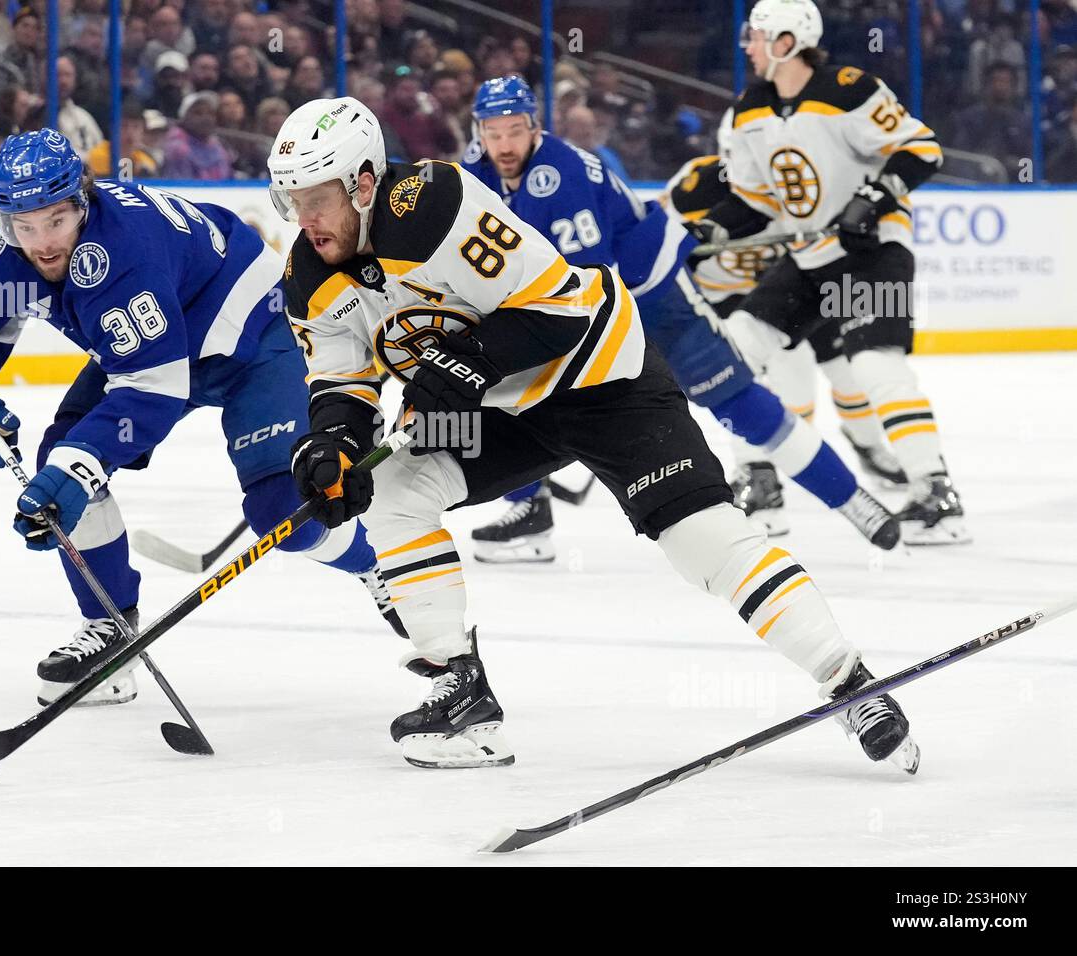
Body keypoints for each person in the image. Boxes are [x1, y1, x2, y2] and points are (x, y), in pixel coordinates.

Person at [267, 96, 919, 773]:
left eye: (316, 198)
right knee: (394, 492)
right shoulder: (308, 278)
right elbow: (343, 386)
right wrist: (333, 448)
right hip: (503, 407)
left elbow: (559, 310)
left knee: (701, 539)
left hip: (599, 375)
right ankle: (461, 695)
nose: (303, 219)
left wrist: (464, 364)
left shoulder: (431, 205)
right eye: (291, 200)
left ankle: (852, 684)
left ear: (365, 183)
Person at [0, 129, 405, 706]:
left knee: (286, 514)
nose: (41, 244)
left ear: (82, 200)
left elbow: (154, 389)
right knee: (64, 466)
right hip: (156, 349)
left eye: (54, 221)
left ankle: (379, 560)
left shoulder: (121, 252)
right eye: (21, 226)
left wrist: (83, 463)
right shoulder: (2, 252)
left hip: (254, 336)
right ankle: (110, 627)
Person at [460, 76, 897, 561]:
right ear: (479, 129)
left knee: (734, 400)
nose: (504, 144)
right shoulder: (473, 170)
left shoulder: (559, 175)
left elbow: (588, 286)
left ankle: (853, 500)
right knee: (505, 382)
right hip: (581, 302)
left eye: (514, 130)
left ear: (535, 126)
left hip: (651, 292)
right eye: (493, 131)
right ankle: (529, 512)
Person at [705, 0, 968, 545]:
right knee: (736, 346)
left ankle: (936, 493)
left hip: (873, 257)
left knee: (874, 364)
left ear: (785, 42)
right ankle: (759, 482)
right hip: (809, 262)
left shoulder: (848, 88)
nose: (746, 46)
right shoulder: (750, 108)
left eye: (755, 37)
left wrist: (870, 200)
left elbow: (921, 149)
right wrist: (707, 232)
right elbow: (753, 202)